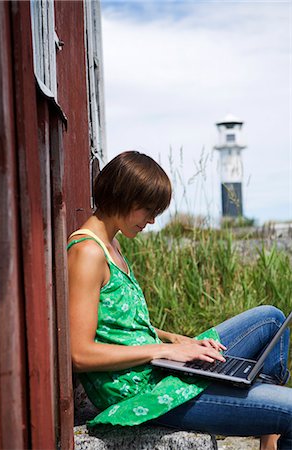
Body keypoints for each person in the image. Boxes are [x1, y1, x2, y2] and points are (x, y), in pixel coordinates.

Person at [68, 151, 292, 450]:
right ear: (121, 197)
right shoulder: (88, 253)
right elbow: (80, 354)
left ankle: (268, 437)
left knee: (270, 319)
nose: (152, 220)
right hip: (144, 394)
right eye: (148, 210)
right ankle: (272, 419)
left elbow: (120, 324)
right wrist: (164, 350)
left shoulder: (112, 243)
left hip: (157, 367)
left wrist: (175, 339)